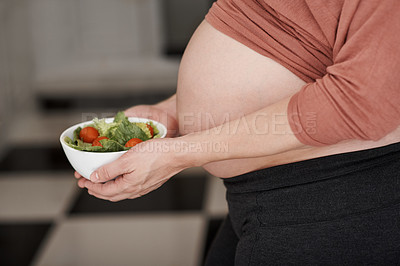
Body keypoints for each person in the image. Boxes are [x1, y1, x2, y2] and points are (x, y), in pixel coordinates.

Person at [75, 0, 400, 264]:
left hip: (327, 195)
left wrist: (180, 153)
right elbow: (288, 36)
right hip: (262, 194)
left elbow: (367, 97)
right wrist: (173, 111)